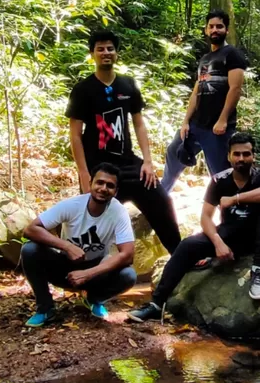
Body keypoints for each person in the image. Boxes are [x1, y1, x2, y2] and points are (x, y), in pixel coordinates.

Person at [129, 132, 260, 322]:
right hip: (230, 234)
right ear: (228, 156)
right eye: (236, 154)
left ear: (253, 156)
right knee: (187, 246)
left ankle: (258, 269)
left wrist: (235, 199)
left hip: (257, 237)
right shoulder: (220, 180)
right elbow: (206, 218)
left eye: (246, 154)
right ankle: (156, 304)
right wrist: (217, 243)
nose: (241, 159)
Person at [67, 29, 182, 253]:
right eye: (100, 49)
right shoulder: (83, 90)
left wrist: (147, 161)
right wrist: (83, 172)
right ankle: (84, 268)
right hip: (98, 169)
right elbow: (75, 135)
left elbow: (139, 124)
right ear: (92, 54)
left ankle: (180, 258)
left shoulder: (128, 85)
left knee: (162, 201)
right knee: (93, 220)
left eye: (110, 48)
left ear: (117, 53)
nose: (106, 52)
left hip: (129, 164)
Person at [21, 163, 137, 327]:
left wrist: (88, 273)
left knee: (129, 275)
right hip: (65, 266)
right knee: (29, 249)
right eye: (99, 183)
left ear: (115, 192)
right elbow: (31, 229)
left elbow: (127, 254)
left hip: (94, 272)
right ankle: (45, 308)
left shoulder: (118, 212)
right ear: (90, 184)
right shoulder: (72, 205)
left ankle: (94, 299)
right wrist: (66, 246)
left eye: (110, 186)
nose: (103, 188)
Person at [161, 10, 247, 191]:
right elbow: (196, 91)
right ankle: (161, 197)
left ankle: (230, 210)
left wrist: (223, 119)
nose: (215, 30)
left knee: (220, 173)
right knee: (174, 152)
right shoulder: (205, 59)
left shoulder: (232, 54)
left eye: (219, 26)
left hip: (217, 128)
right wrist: (185, 121)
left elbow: (235, 88)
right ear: (206, 30)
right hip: (196, 124)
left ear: (227, 30)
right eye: (211, 26)